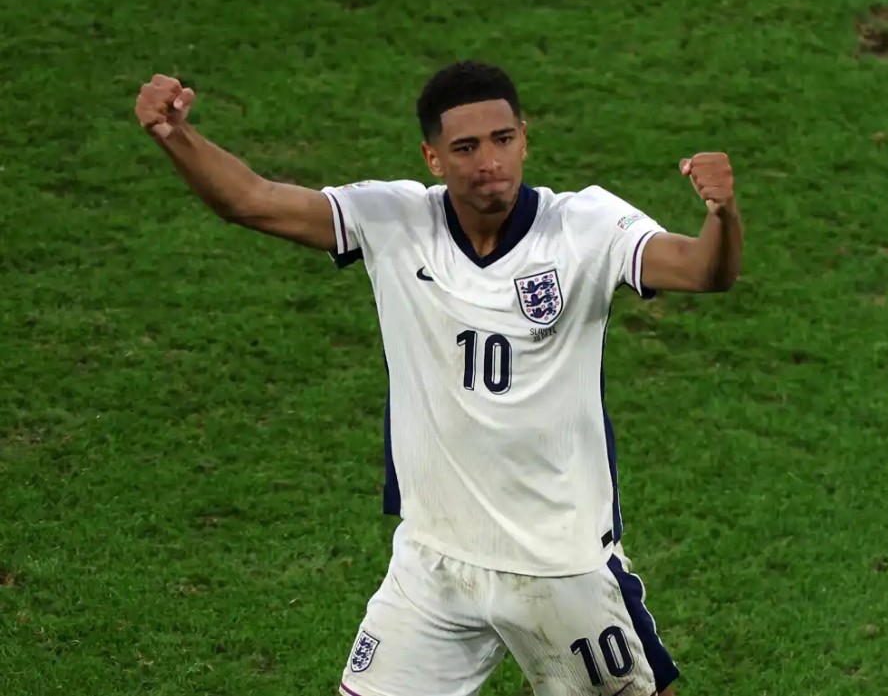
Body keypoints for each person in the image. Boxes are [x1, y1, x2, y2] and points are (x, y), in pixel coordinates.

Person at [135, 59, 743, 696]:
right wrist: (175, 135)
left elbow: (704, 271)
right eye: (466, 147)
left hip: (559, 564)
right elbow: (249, 200)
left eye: (503, 139)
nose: (489, 161)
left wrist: (722, 215)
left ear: (525, 139)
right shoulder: (393, 221)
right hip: (434, 561)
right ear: (433, 158)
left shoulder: (585, 228)